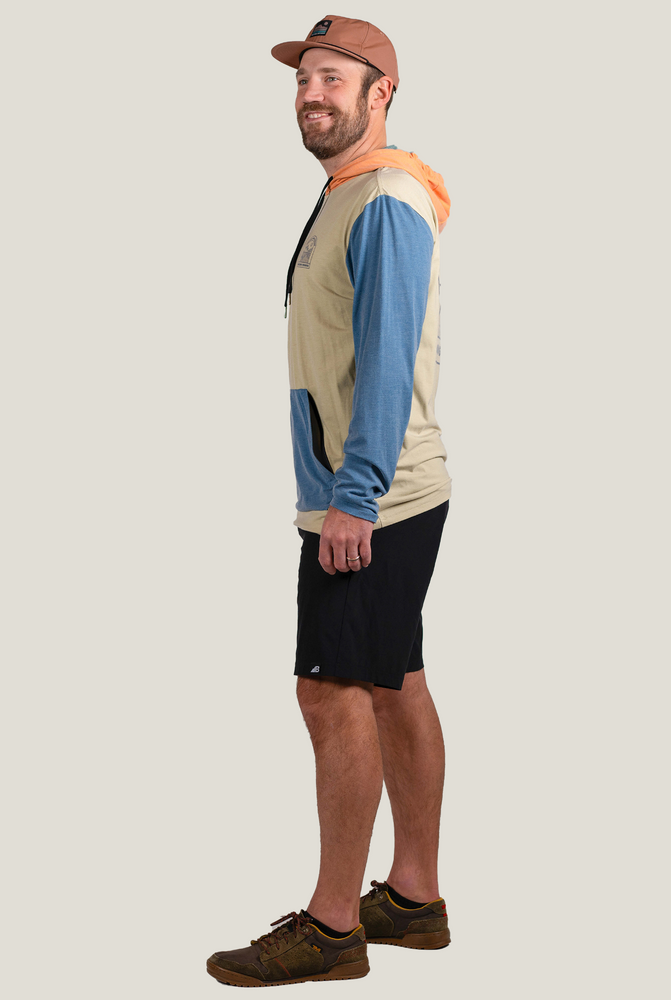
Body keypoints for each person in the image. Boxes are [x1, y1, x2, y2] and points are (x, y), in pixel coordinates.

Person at [207, 16, 452, 987]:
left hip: (371, 499)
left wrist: (353, 496)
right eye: (303, 78)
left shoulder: (384, 199)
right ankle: (416, 898)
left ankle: (333, 924)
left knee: (330, 689)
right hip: (374, 490)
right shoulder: (350, 192)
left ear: (379, 93)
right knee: (393, 680)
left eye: (332, 78)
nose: (311, 94)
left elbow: (386, 357)